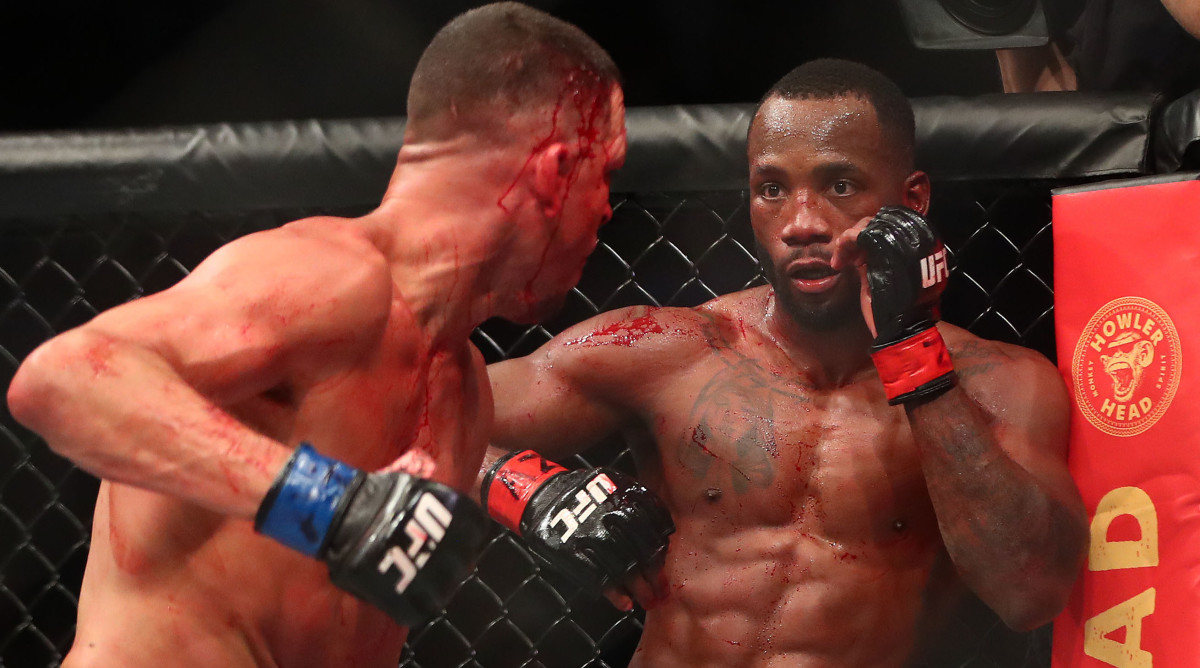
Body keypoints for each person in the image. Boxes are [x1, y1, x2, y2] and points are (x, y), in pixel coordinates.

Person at [5, 4, 627, 667]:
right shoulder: (327, 280)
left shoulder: (464, 396)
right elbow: (62, 377)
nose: (609, 208)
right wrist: (332, 505)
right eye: (606, 174)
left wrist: (517, 493)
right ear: (554, 171)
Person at [482, 58, 1089, 666]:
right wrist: (530, 493)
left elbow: (1030, 592)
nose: (801, 224)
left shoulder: (996, 383)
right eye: (772, 189)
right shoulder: (668, 349)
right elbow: (431, 420)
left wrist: (913, 351)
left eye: (840, 186)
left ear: (912, 201)